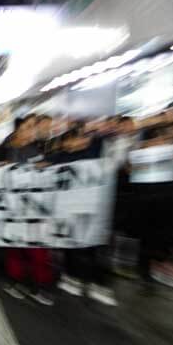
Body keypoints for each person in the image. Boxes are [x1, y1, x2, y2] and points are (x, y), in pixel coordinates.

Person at [52, 125, 117, 306]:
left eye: (81, 138)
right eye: (72, 139)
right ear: (65, 142)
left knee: (93, 249)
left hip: (92, 211)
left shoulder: (96, 156)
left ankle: (98, 284)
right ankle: (71, 277)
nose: (78, 142)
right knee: (70, 246)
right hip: (68, 210)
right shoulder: (58, 158)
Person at [0, 115, 54, 306]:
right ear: (18, 130)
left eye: (33, 128)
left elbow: (47, 173)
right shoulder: (5, 150)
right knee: (15, 246)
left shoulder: (36, 149)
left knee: (37, 249)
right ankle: (15, 280)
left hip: (35, 207)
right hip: (12, 207)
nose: (31, 131)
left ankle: (40, 283)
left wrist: (44, 169)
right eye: (27, 128)